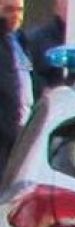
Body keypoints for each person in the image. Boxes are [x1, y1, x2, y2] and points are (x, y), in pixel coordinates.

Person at [1, 0, 30, 171]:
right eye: (9, 10)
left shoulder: (20, 41)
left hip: (23, 126)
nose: (15, 16)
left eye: (19, 10)